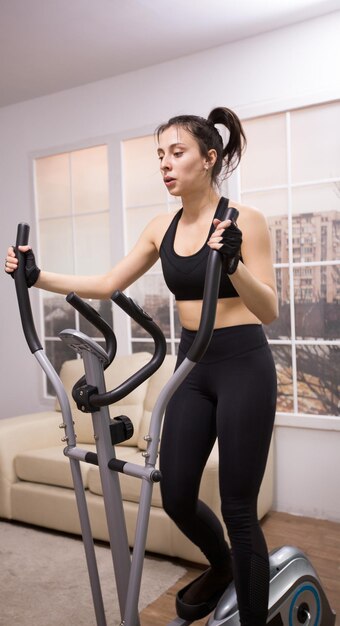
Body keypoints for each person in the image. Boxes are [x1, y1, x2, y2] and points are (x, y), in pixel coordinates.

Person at [5, 107, 278, 626]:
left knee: (239, 510)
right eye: (160, 155)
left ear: (209, 158)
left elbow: (268, 310)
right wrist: (38, 277)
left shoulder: (246, 220)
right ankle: (219, 567)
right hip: (192, 367)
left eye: (177, 153)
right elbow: (110, 283)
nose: (166, 164)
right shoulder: (162, 226)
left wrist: (236, 263)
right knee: (174, 492)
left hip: (244, 363)